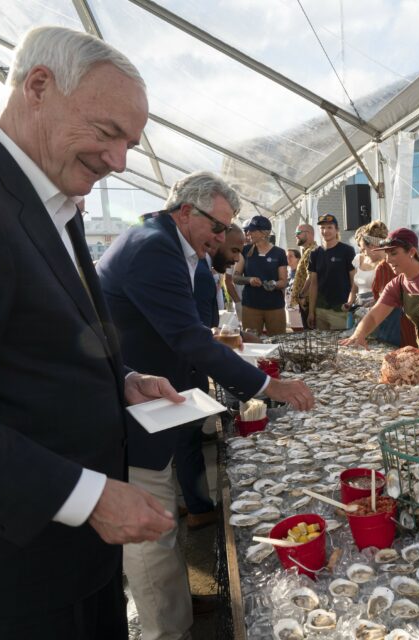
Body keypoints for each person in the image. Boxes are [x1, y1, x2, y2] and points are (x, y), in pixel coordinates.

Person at [0, 26, 180, 640]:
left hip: (77, 559)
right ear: (38, 87)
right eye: (107, 133)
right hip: (12, 576)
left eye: (130, 142)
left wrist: (119, 380)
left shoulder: (45, 194)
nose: (119, 160)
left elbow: (21, 344)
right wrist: (90, 496)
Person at [96, 171, 315, 640]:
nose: (221, 238)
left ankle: (175, 601)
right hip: (134, 411)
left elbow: (183, 332)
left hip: (157, 403)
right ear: (184, 212)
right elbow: (186, 338)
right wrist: (266, 388)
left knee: (163, 513)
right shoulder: (154, 246)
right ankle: (166, 628)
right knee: (150, 529)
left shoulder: (163, 241)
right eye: (217, 228)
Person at [177, 224, 246, 532]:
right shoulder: (203, 275)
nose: (236, 258)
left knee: (186, 440)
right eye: (233, 250)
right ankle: (198, 508)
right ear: (216, 242)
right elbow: (202, 337)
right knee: (187, 440)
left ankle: (190, 500)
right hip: (181, 371)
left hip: (177, 367)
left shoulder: (198, 267)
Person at [341, 228, 419, 351]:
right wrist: (358, 334)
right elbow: (374, 315)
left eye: (393, 253)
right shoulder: (397, 284)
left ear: (411, 252)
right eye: (387, 254)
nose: (388, 260)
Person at [233, 215, 288, 336]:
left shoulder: (279, 253)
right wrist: (249, 280)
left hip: (275, 307)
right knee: (251, 343)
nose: (248, 233)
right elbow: (235, 277)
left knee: (278, 343)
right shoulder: (245, 250)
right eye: (248, 230)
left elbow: (284, 281)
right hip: (251, 306)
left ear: (264, 233)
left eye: (252, 230)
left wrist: (273, 284)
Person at [307, 213, 356, 330]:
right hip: (320, 309)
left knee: (341, 346)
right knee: (322, 346)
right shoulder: (314, 253)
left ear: (337, 230)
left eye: (329, 227)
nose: (325, 231)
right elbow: (313, 284)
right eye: (322, 228)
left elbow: (354, 281)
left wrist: (350, 303)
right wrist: (311, 311)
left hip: (340, 310)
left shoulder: (347, 250)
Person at [290, 223, 317, 318]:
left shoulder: (311, 251)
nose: (296, 235)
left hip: (308, 302)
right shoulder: (307, 251)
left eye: (298, 232)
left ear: (309, 233)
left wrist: (301, 295)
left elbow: (311, 277)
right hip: (306, 302)